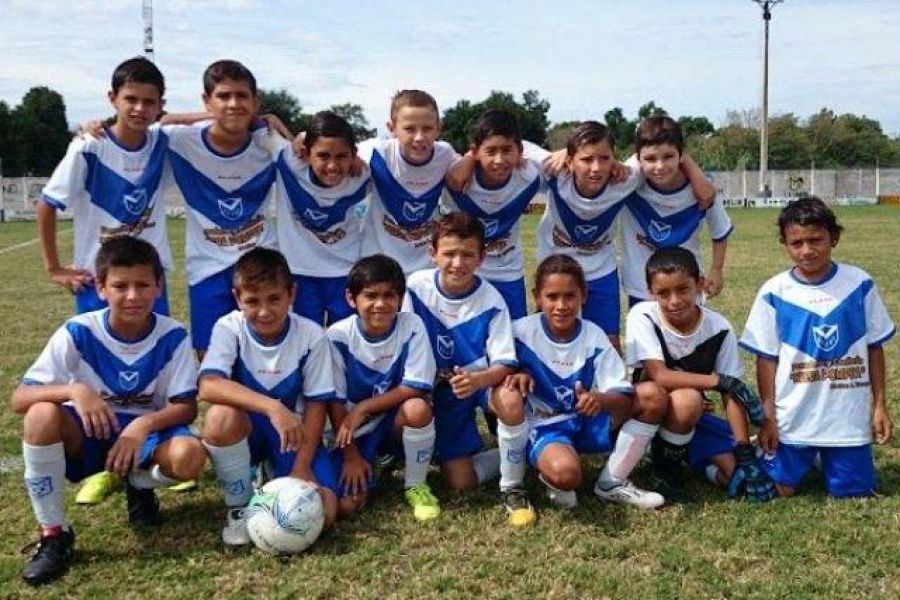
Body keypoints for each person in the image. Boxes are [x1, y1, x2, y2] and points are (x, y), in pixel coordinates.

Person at [13, 237, 206, 585]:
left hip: (145, 437)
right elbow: (20, 398)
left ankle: (137, 481)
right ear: (101, 288)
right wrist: (74, 389)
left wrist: (142, 425)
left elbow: (186, 407)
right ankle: (54, 534)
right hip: (91, 431)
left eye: (143, 285)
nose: (132, 296)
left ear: (158, 287)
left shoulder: (174, 335)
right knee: (40, 414)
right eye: (120, 286)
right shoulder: (78, 331)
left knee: (191, 456)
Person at [740, 197, 895, 498]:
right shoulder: (774, 291)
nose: (807, 250)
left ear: (834, 237)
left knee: (854, 492)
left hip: (845, 419)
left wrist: (879, 406)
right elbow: (766, 358)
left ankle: (826, 455)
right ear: (784, 243)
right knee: (776, 490)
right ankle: (801, 454)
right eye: (796, 243)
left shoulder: (859, 284)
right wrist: (768, 416)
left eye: (816, 240)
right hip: (794, 418)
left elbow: (875, 348)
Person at [199, 247, 340, 546]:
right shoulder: (229, 327)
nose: (264, 312)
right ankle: (238, 506)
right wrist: (272, 407)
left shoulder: (312, 335)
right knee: (220, 416)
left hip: (293, 437)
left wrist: (302, 467)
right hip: (247, 432)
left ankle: (277, 471)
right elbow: (209, 385)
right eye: (252, 301)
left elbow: (317, 406)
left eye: (274, 298)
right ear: (238, 299)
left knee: (326, 513)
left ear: (292, 294)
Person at [403, 212, 536, 527]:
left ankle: (513, 480)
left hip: (475, 387)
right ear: (432, 254)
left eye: (467, 255)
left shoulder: (492, 300)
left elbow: (504, 363)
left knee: (510, 399)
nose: (457, 263)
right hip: (430, 388)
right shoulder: (415, 287)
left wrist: (478, 380)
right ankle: (520, 450)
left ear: (481, 257)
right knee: (458, 480)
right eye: (449, 254)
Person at [506, 255, 667, 509]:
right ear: (537, 296)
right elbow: (497, 371)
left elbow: (621, 392)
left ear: (583, 296)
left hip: (583, 419)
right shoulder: (520, 332)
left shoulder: (593, 335)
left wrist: (599, 399)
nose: (561, 305)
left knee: (652, 395)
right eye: (552, 297)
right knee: (567, 475)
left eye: (570, 296)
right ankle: (546, 467)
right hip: (545, 427)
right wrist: (515, 373)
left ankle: (612, 482)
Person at [626, 248, 775, 504]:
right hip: (643, 412)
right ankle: (663, 468)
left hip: (686, 419)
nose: (674, 301)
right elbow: (659, 376)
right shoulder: (643, 315)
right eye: (663, 293)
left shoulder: (719, 328)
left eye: (683, 289)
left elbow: (733, 396)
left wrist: (743, 448)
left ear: (700, 284)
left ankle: (690, 460)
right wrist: (720, 381)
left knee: (733, 473)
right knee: (688, 400)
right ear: (651, 292)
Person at [39, 56, 173, 317]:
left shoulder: (163, 143)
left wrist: (260, 118)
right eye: (130, 99)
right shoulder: (89, 147)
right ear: (113, 98)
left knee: (155, 352)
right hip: (98, 280)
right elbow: (46, 204)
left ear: (160, 105)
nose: (139, 108)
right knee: (96, 355)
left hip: (149, 281)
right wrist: (54, 269)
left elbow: (205, 123)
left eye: (148, 102)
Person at [166, 59, 279, 353]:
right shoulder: (181, 140)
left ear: (255, 102)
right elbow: (156, 122)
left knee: (266, 348)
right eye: (223, 96)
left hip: (260, 261)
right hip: (208, 268)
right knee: (209, 353)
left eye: (242, 97)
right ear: (207, 101)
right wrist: (94, 128)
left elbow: (306, 155)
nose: (233, 104)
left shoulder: (268, 142)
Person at [326, 254, 440, 521]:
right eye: (371, 295)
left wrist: (365, 407)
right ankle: (370, 462)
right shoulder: (337, 337)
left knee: (417, 409)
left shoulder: (411, 325)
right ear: (352, 299)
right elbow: (333, 403)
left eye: (389, 295)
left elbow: (416, 386)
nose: (380, 304)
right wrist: (351, 456)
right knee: (347, 506)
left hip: (390, 421)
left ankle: (416, 484)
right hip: (351, 432)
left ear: (400, 298)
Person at [444, 109, 542, 319]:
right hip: (465, 272)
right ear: (476, 151)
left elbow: (567, 162)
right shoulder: (455, 178)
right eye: (491, 151)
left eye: (507, 150)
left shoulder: (530, 177)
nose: (499, 160)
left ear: (520, 150)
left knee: (514, 337)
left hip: (508, 274)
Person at [620, 116, 728, 307]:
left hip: (687, 288)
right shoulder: (630, 186)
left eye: (668, 157)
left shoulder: (701, 191)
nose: (660, 166)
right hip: (642, 290)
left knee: (691, 336)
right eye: (651, 159)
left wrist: (717, 269)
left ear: (681, 156)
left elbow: (719, 231)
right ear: (638, 160)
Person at [275, 111, 370, 325]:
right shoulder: (287, 162)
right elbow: (254, 123)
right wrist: (297, 134)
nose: (332, 166)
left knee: (344, 341)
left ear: (354, 154)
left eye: (341, 156)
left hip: (345, 272)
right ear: (307, 153)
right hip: (300, 272)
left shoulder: (364, 174)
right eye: (323, 156)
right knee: (306, 342)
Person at [357, 89, 460, 274]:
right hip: (378, 267)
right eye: (409, 129)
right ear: (392, 128)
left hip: (425, 270)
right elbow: (328, 147)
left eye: (427, 128)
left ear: (439, 127)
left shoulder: (445, 155)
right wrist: (302, 139)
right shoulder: (375, 152)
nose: (419, 137)